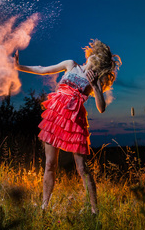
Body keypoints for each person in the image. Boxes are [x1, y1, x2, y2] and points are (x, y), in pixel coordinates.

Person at [14, 39, 121, 214]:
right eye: (94, 55)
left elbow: (101, 108)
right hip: (55, 116)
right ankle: (44, 207)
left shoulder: (94, 80)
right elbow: (42, 69)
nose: (92, 58)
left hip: (74, 121)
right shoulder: (71, 64)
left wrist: (95, 87)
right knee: (50, 164)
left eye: (97, 59)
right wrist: (19, 67)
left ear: (99, 65)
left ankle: (95, 211)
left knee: (81, 168)